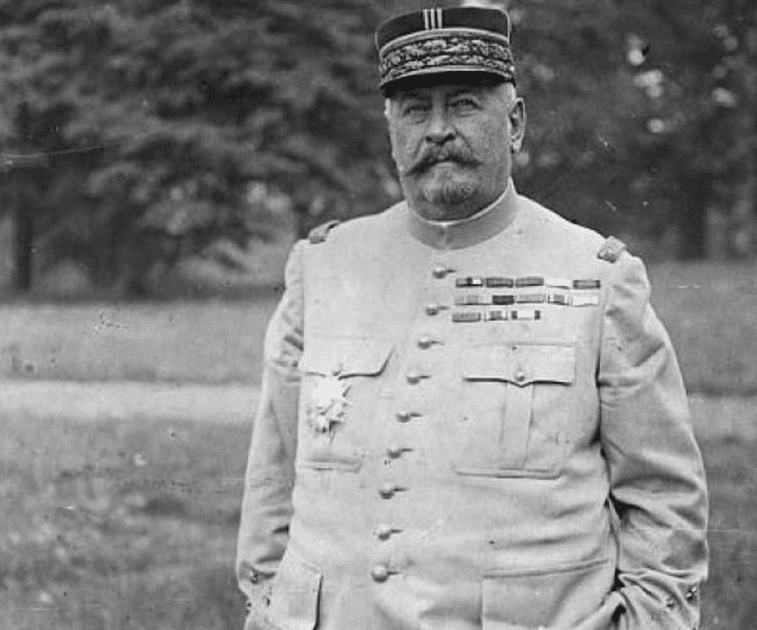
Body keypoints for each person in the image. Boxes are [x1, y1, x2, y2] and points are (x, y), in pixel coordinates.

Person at [236, 6, 708, 629]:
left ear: (515, 124)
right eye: (414, 110)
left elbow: (663, 499)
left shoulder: (596, 276)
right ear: (391, 131)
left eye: (463, 105)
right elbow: (272, 485)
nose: (437, 131)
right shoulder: (323, 267)